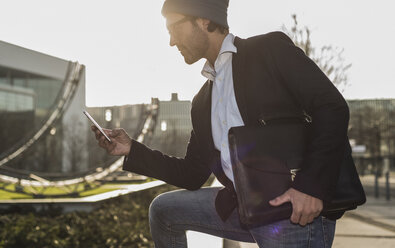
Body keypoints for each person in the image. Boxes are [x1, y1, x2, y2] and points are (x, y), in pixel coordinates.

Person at [92, 0, 363, 247]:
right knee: (164, 211)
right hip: (242, 207)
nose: (171, 42)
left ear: (204, 20)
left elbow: (332, 107)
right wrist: (131, 150)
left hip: (291, 210)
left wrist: (309, 187)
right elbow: (191, 174)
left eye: (174, 28)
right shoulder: (202, 101)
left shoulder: (268, 51)